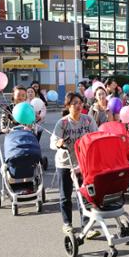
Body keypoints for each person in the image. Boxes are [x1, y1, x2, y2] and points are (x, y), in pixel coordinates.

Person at [49, 92, 99, 237]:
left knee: (84, 195)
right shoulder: (63, 123)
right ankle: (67, 224)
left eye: (80, 103)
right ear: (68, 106)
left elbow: (96, 137)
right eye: (75, 103)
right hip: (65, 163)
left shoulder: (88, 120)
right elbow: (52, 143)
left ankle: (86, 226)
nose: (78, 106)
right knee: (65, 196)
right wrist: (58, 143)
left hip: (83, 164)